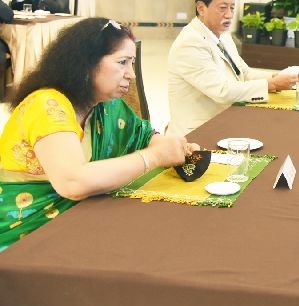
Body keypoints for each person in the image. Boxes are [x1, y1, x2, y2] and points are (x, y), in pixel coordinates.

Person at [0, 18, 193, 251]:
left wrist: (169, 147)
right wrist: (152, 158)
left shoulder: (106, 105)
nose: (131, 74)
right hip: (26, 235)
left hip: (77, 220)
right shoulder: (46, 105)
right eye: (122, 62)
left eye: (132, 63)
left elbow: (142, 135)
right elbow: (73, 182)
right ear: (86, 63)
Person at [167, 0, 299, 137]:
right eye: (222, 8)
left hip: (227, 118)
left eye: (232, 8)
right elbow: (222, 91)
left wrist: (279, 77)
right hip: (197, 133)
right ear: (201, 8)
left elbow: (244, 73)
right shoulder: (190, 42)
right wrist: (272, 84)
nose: (229, 14)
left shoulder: (223, 35)